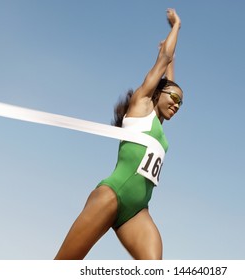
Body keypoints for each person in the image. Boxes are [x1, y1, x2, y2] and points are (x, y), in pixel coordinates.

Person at [54, 8, 183, 260]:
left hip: (138, 212)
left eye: (182, 103)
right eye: (175, 98)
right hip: (111, 197)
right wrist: (176, 26)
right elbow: (163, 62)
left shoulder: (158, 122)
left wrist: (172, 62)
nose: (177, 105)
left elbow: (170, 77)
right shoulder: (142, 105)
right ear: (158, 93)